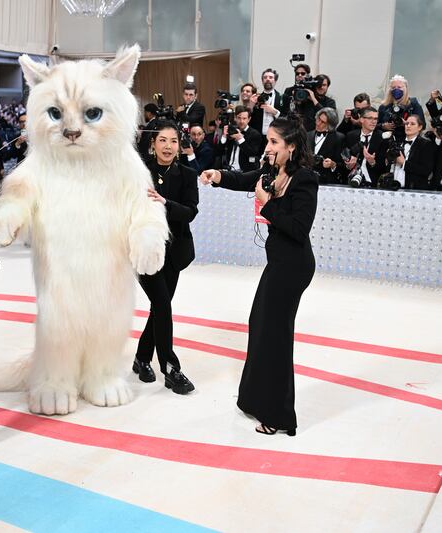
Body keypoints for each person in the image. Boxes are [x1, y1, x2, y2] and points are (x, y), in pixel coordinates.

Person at [200, 116, 318, 436]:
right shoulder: (271, 172)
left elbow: (298, 228)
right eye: (268, 141)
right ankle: (254, 401)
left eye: (274, 142)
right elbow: (244, 179)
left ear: (291, 147)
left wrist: (267, 205)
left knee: (276, 338)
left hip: (293, 267)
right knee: (260, 326)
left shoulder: (305, 179)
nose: (268, 147)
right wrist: (218, 175)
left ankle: (280, 417)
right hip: (278, 263)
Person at [133, 121, 198, 394]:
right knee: (162, 304)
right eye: (162, 140)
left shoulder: (187, 174)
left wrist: (165, 203)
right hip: (145, 250)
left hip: (175, 252)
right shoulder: (138, 171)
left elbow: (191, 211)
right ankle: (171, 368)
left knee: (160, 307)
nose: (168, 146)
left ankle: (141, 358)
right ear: (153, 144)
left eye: (173, 141)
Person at [386, 114, 434, 191]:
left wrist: (404, 163)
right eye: (406, 123)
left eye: (412, 124)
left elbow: (426, 170)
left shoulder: (426, 144)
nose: (408, 126)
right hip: (394, 188)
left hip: (414, 190)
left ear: (420, 127)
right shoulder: (397, 142)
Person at [306, 107, 344, 184]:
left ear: (330, 125)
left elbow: (343, 165)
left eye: (323, 122)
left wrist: (333, 164)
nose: (318, 123)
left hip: (327, 181)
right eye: (318, 119)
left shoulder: (339, 138)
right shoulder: (308, 135)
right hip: (307, 179)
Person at [220, 105, 263, 172]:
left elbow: (252, 153)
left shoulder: (255, 134)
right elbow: (219, 151)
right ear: (235, 118)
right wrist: (224, 136)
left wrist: (240, 139)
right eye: (239, 118)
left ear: (249, 119)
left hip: (245, 172)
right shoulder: (232, 130)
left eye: (244, 118)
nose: (241, 121)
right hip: (229, 169)